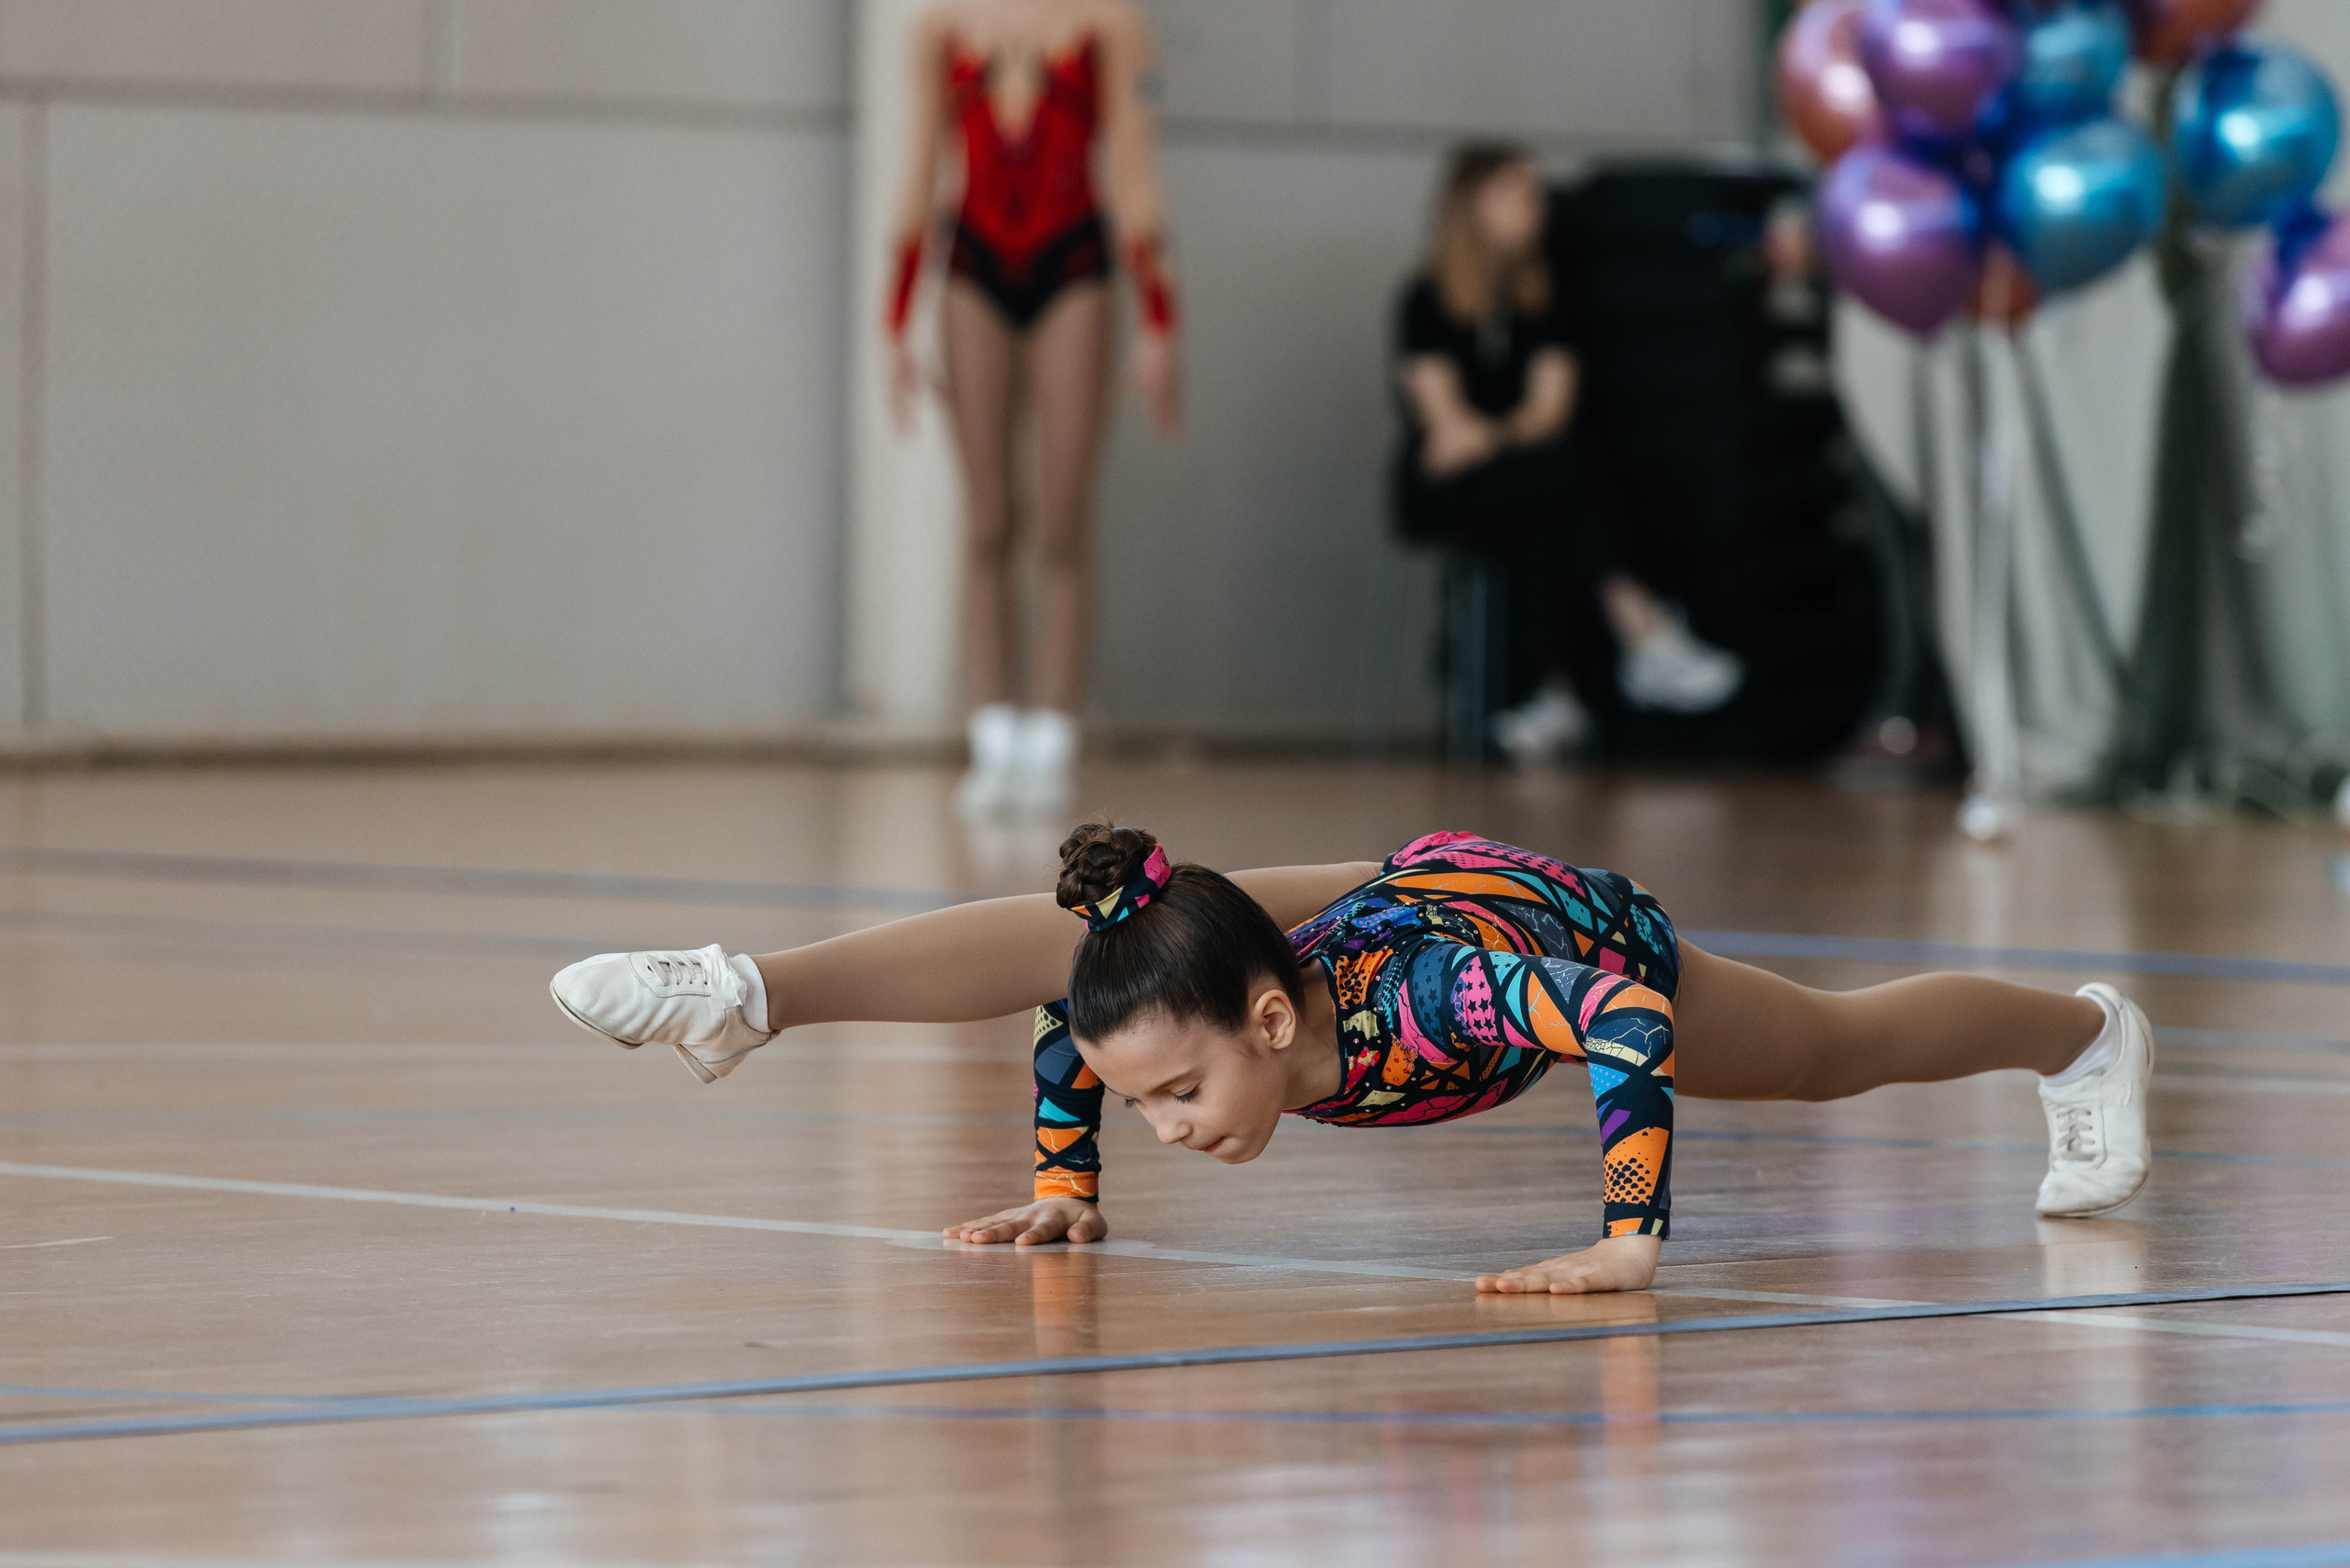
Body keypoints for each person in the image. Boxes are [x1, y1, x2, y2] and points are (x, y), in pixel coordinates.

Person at [549, 824, 2153, 1296]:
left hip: (1549, 923)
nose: (1164, 1127)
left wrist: (1627, 1230)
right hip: (1364, 905)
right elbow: (1072, 1037)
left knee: (1828, 1051)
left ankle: (2085, 1031)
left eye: (1175, 1097)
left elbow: (1626, 1024)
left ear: (1258, 1038)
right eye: (1145, 1108)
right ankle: (747, 989)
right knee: (1118, 950)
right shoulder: (1212, 1023)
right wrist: (1064, 1181)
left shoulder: (1441, 1011)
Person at [884, 0, 1181, 819]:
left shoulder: (1110, 25)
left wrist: (1160, 323)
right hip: (974, 267)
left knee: (1061, 519)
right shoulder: (941, 29)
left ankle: (1051, 739)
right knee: (987, 520)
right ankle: (994, 740)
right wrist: (894, 322)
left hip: (1073, 267)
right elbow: (919, 173)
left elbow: (1133, 173)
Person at [1395, 143, 1745, 761]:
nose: (1536, 209)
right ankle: (1643, 630)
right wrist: (1505, 433)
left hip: (1523, 481)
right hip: (1442, 488)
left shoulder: (1547, 298)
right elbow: (1448, 432)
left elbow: (1551, 412)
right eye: (1518, 194)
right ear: (1472, 206)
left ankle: (1547, 695)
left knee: (1546, 496)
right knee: (1557, 476)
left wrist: (1494, 436)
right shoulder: (1426, 300)